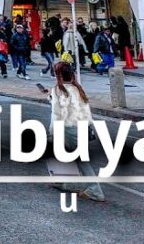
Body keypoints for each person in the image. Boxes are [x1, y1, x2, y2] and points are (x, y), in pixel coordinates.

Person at [47, 62, 105, 201]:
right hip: (84, 127)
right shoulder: (78, 88)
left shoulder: (57, 89)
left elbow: (57, 113)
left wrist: (53, 130)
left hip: (69, 128)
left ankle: (95, 190)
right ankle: (61, 180)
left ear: (58, 75)